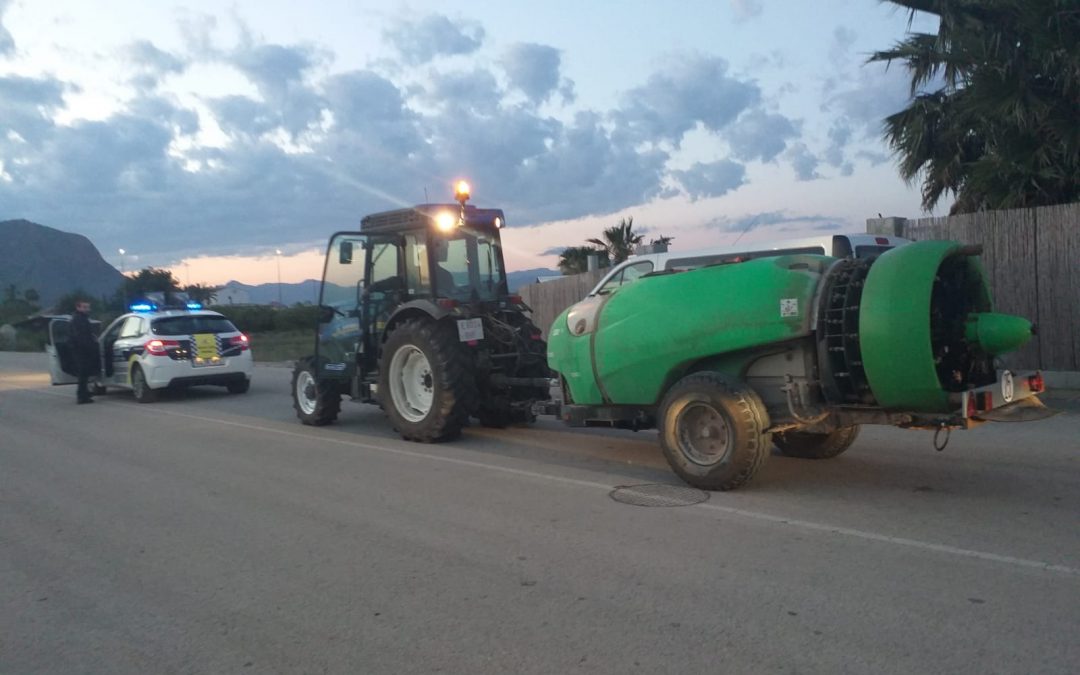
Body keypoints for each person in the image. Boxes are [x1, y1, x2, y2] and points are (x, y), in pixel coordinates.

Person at [69, 300, 99, 404]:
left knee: (85, 374)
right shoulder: (78, 320)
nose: (87, 309)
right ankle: (82, 396)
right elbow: (80, 337)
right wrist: (89, 347)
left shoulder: (82, 319)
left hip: (82, 350)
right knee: (83, 374)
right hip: (81, 351)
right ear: (78, 308)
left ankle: (84, 394)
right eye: (85, 307)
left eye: (88, 307)